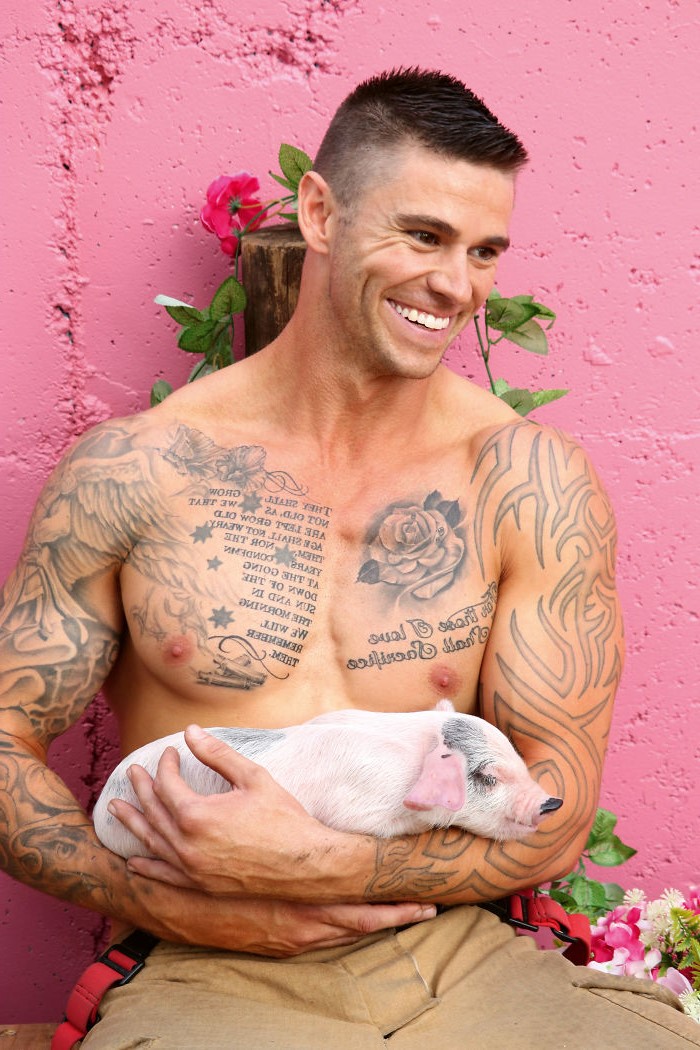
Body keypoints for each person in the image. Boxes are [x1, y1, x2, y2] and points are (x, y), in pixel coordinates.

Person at [1, 68, 697, 1048]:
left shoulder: (526, 481)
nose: (456, 285)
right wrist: (154, 898)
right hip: (210, 964)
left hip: (461, 954)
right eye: (423, 235)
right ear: (321, 213)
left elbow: (557, 805)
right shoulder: (134, 472)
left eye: (483, 251)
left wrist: (321, 865)